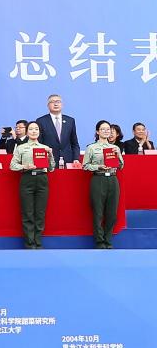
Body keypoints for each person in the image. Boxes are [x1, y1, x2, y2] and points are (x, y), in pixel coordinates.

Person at [9, 121, 54, 249]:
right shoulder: (21, 147)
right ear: (27, 131)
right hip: (27, 178)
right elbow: (12, 165)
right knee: (27, 212)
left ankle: (38, 242)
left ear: (39, 132)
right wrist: (25, 166)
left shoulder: (45, 148)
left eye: (36, 129)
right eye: (31, 129)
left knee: (40, 212)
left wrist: (50, 155)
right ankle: (29, 243)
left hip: (42, 179)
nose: (34, 131)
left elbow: (51, 168)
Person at [83, 120, 124, 249]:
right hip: (98, 179)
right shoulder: (91, 148)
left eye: (108, 129)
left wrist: (118, 155)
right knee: (98, 212)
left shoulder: (115, 148)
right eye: (103, 129)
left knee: (112, 213)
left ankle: (108, 240)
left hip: (112, 179)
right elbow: (85, 166)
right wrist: (98, 167)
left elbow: (121, 166)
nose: (106, 131)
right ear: (97, 131)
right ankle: (99, 241)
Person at [36, 94, 80, 166]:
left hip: (67, 160)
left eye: (58, 101)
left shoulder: (70, 120)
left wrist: (76, 158)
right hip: (49, 161)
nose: (55, 104)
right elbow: (39, 144)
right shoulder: (41, 121)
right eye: (52, 102)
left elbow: (74, 143)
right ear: (48, 105)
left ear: (62, 105)